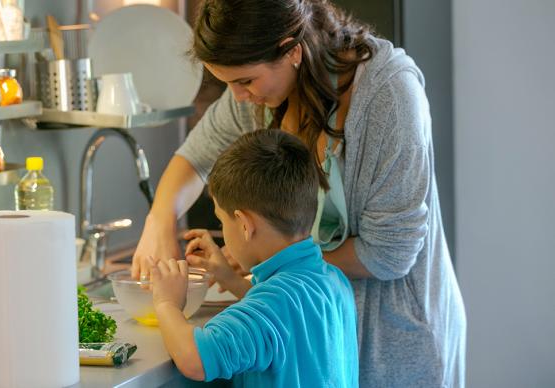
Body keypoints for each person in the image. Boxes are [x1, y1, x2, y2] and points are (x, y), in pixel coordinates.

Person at [132, 0, 466, 386]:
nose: (238, 97)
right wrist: (158, 222)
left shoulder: (388, 95)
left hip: (399, 335)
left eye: (244, 81)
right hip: (326, 328)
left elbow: (391, 252)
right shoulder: (261, 90)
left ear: (292, 49)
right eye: (227, 83)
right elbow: (196, 156)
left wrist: (270, 257)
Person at [148, 129, 358, 386]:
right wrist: (230, 279)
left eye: (222, 220)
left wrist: (166, 303)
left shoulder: (270, 306)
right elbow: (286, 318)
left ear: (245, 224)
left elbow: (196, 361)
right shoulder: (334, 280)